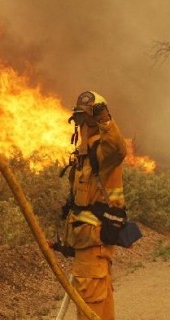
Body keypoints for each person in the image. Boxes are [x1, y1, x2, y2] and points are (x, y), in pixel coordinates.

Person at [61, 91, 127, 320]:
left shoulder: (103, 151)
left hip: (94, 241)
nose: (81, 124)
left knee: (90, 301)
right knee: (101, 299)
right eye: (79, 119)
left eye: (86, 119)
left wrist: (103, 118)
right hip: (87, 241)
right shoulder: (85, 154)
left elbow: (118, 148)